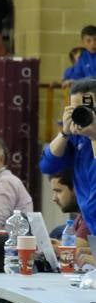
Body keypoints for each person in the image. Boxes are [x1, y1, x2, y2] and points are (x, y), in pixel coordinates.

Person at [41, 80, 96, 234]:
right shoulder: (79, 138)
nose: (82, 114)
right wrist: (64, 133)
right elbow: (47, 166)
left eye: (88, 108)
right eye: (75, 110)